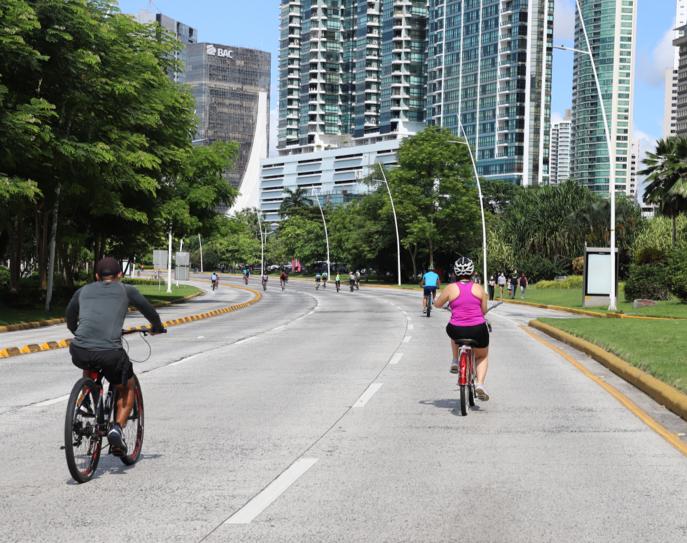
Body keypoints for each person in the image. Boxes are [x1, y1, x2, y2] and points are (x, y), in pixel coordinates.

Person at [66, 257, 166, 456]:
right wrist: (157, 327)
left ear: (96, 276)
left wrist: (79, 332)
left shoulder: (82, 291)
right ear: (120, 275)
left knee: (91, 359)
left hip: (78, 350)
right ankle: (116, 429)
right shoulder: (126, 290)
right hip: (110, 353)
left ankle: (86, 395)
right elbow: (149, 311)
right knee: (127, 386)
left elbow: (70, 318)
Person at [433, 257, 490, 401]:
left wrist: (435, 300)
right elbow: (484, 311)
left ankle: (455, 360)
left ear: (455, 273)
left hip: (457, 329)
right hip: (478, 329)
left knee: (453, 331)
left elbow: (438, 304)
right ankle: (480, 385)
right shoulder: (479, 288)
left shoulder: (450, 288)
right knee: (482, 355)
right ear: (472, 272)